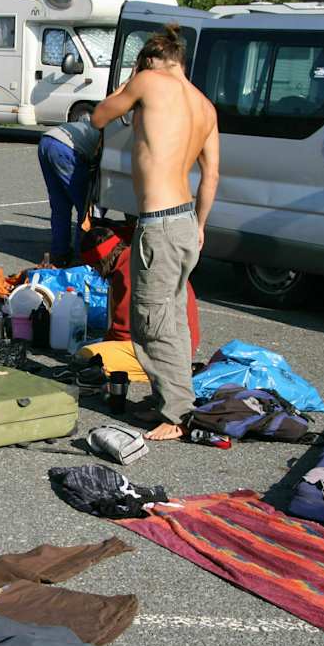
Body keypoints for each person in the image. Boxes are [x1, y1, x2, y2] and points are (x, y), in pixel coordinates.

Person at [88, 23, 219, 441]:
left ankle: (177, 415)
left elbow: (99, 116)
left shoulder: (147, 81)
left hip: (159, 224)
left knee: (152, 322)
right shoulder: (204, 105)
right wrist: (200, 225)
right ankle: (175, 400)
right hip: (184, 221)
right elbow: (212, 173)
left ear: (149, 60)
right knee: (174, 319)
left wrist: (131, 80)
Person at [75, 225, 200, 383]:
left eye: (94, 268)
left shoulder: (125, 273)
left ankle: (168, 371)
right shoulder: (135, 256)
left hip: (166, 350)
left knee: (87, 354)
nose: (96, 272)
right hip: (182, 343)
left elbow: (123, 332)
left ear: (101, 262)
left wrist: (105, 344)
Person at [38, 118, 102, 267]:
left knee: (60, 206)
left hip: (46, 141)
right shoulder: (111, 137)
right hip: (65, 149)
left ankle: (59, 254)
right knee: (85, 209)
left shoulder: (100, 124)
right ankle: (81, 258)